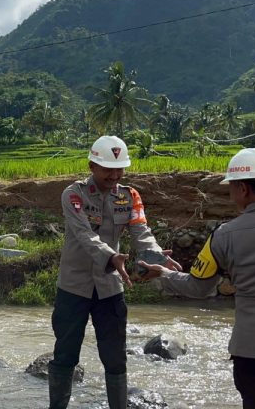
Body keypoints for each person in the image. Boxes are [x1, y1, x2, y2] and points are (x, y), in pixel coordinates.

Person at [138, 148, 255, 409]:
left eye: (230, 187)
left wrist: (164, 273)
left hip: (250, 351)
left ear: (242, 189)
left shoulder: (223, 235)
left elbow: (197, 287)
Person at [49, 136, 174, 409]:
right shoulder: (74, 194)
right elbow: (83, 234)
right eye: (108, 169)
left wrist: (154, 255)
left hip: (109, 288)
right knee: (65, 355)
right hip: (73, 287)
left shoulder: (130, 196)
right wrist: (111, 256)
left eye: (120, 170)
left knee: (115, 358)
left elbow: (141, 231)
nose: (115, 176)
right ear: (92, 165)